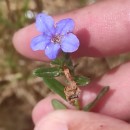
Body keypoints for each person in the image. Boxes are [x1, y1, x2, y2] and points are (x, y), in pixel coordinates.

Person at [13, 0, 130, 129]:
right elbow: (41, 47)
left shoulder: (66, 37)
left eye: (57, 38)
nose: (55, 39)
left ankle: (76, 106)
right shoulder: (45, 37)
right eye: (54, 39)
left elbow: (70, 33)